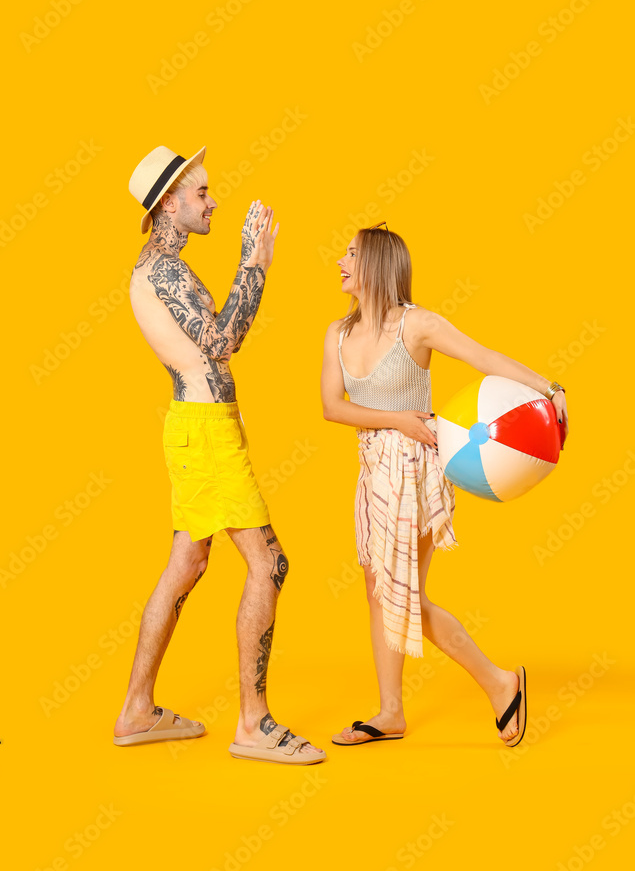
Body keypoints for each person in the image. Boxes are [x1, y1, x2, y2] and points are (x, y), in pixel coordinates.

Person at [113, 144, 325, 765]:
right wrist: (254, 262)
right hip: (205, 432)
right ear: (168, 203)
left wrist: (247, 267)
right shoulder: (164, 272)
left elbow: (214, 341)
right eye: (202, 192)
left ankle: (136, 709)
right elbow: (223, 341)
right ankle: (254, 725)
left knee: (187, 564)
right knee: (270, 565)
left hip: (200, 427)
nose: (212, 201)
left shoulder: (161, 268)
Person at [320, 224, 569, 748]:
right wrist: (395, 420)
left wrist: (549, 389)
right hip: (373, 467)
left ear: (377, 266)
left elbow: (485, 359)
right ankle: (391, 712)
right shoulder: (336, 334)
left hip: (417, 467)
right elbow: (332, 407)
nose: (339, 260)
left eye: (350, 253)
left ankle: (500, 683)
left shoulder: (418, 325)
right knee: (379, 590)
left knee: (399, 592)